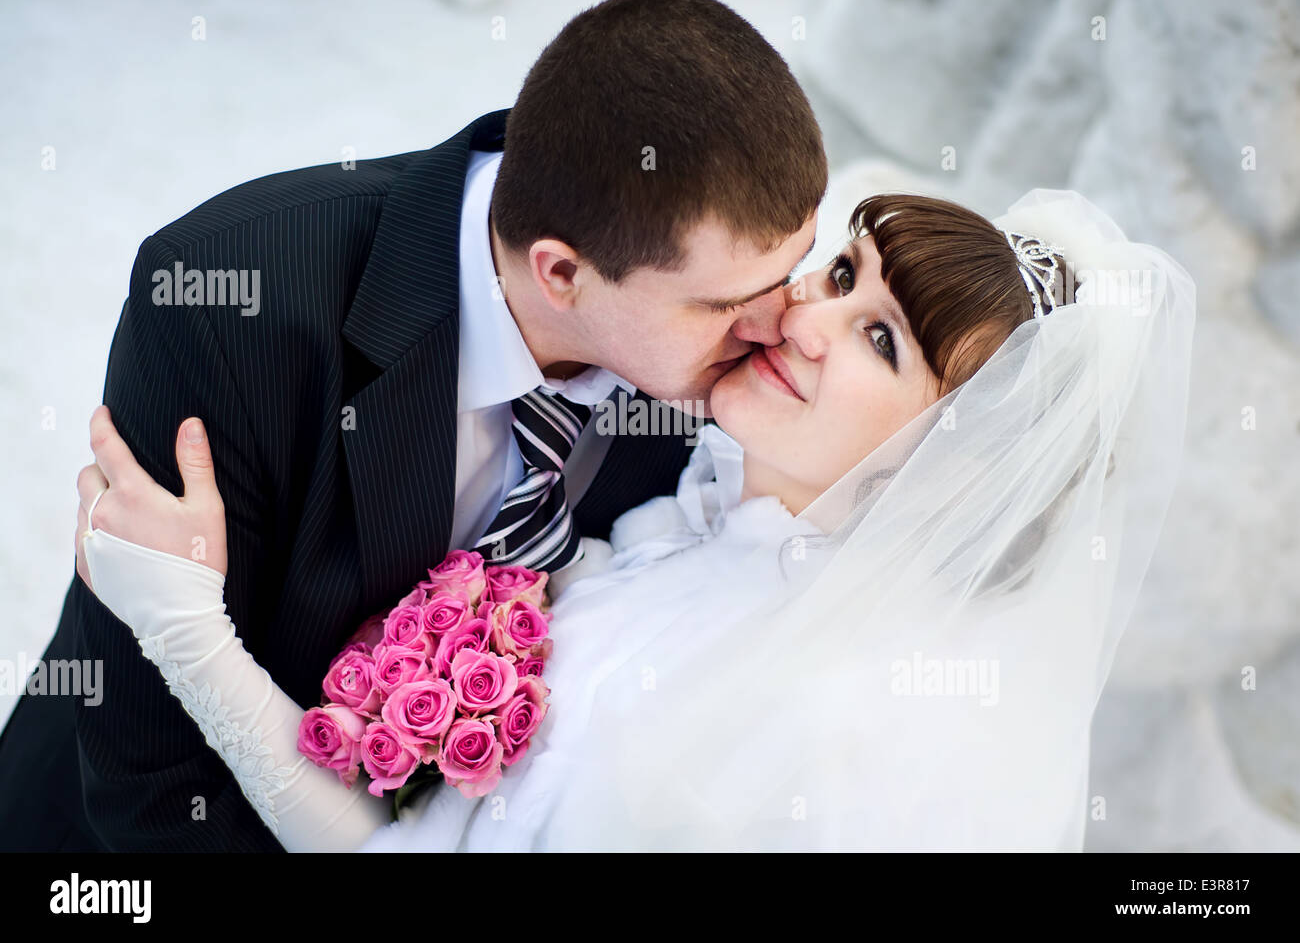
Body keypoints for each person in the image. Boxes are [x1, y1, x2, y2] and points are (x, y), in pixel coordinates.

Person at [72, 189, 1197, 851]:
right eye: (844, 271)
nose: (808, 317)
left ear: (952, 463)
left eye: (882, 341)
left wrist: (186, 628)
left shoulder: (828, 724)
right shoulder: (693, 513)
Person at [0, 0, 827, 851]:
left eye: (795, 268)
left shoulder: (746, 379)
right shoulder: (231, 305)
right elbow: (150, 758)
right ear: (561, 273)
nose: (784, 325)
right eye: (730, 303)